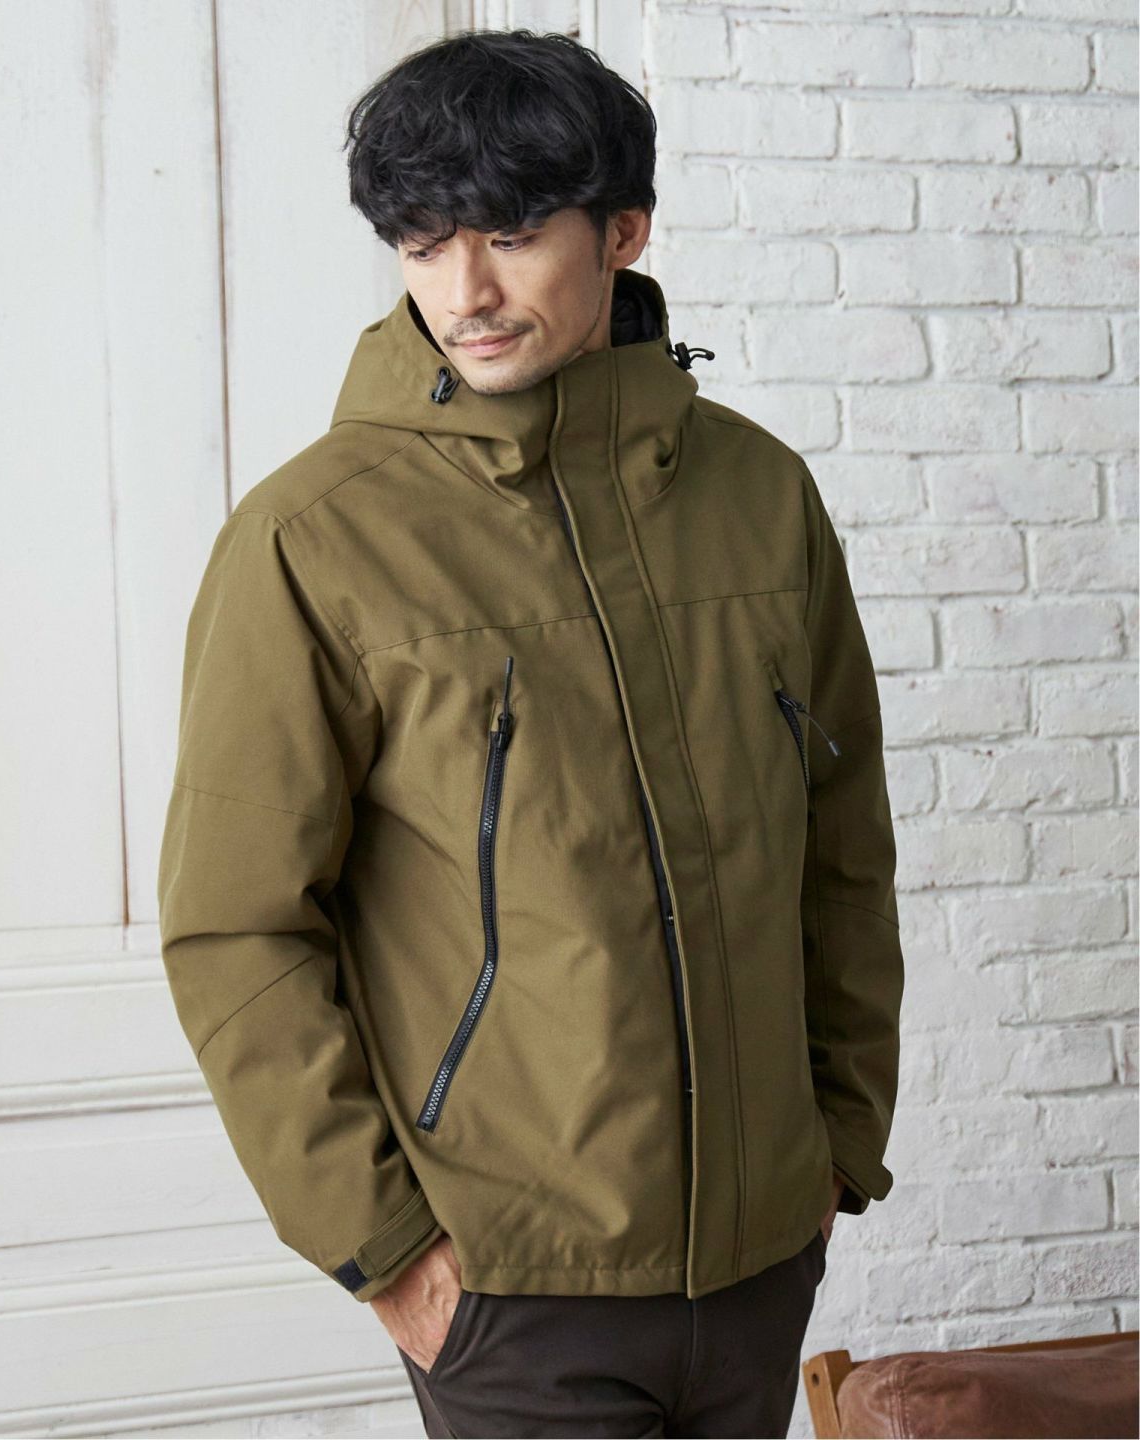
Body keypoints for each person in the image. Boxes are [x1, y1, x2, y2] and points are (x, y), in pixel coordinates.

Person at [157, 26, 904, 1439]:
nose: (467, 293)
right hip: (512, 1292)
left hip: (762, 1261)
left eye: (509, 235)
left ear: (623, 230)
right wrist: (388, 1250)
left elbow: (842, 847)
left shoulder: (761, 497)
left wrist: (837, 1142)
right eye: (424, 244)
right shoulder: (316, 539)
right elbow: (237, 928)